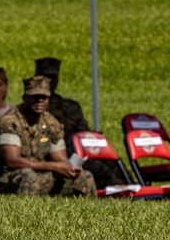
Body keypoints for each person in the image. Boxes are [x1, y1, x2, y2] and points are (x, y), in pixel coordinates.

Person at [0, 76, 95, 197]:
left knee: (85, 177)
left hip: (37, 175)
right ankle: (25, 214)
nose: (39, 101)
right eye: (35, 97)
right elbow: (12, 161)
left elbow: (59, 158)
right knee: (28, 176)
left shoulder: (51, 123)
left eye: (43, 97)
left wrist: (68, 167)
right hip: (0, 178)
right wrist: (54, 167)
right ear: (24, 98)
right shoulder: (10, 121)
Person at [35, 56, 125, 189]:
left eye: (54, 77)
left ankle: (134, 187)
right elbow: (42, 138)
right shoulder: (36, 107)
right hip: (58, 151)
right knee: (95, 165)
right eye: (46, 77)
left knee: (112, 160)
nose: (50, 81)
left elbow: (83, 130)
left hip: (79, 149)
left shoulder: (69, 105)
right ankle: (119, 190)